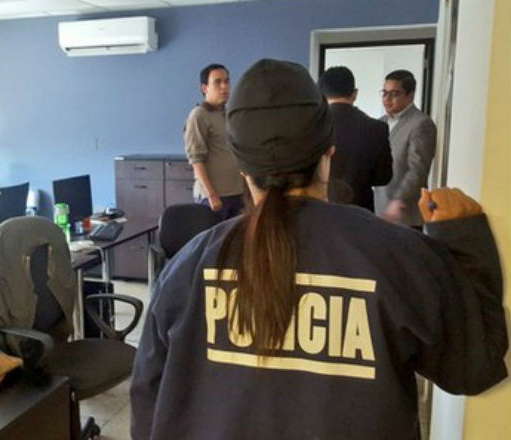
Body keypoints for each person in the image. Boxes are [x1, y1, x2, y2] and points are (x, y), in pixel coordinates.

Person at [130, 59, 507, 439]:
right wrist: (464, 239)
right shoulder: (399, 256)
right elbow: (476, 366)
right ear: (329, 151)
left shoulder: (187, 266)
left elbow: (148, 408)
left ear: (242, 166)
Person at [318, 66, 392, 211]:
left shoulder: (312, 126)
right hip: (361, 210)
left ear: (321, 95)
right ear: (355, 94)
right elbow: (383, 178)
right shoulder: (377, 128)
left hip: (321, 208)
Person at [374, 69, 437, 228]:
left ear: (410, 96)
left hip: (405, 213)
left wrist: (398, 200)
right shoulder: (380, 123)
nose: (387, 99)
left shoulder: (421, 124)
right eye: (384, 93)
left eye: (394, 94)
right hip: (380, 209)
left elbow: (418, 169)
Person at [183, 63, 244, 220]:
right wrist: (211, 194)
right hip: (214, 197)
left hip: (237, 194)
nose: (224, 87)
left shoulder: (229, 115)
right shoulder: (199, 115)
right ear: (205, 88)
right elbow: (196, 159)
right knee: (215, 236)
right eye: (217, 82)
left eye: (227, 81)